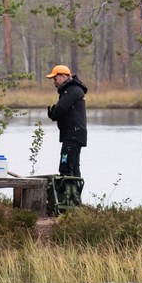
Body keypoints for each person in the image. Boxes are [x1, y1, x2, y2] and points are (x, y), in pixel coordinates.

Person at [47, 65, 87, 196]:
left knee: (65, 167)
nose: (54, 82)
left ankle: (66, 202)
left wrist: (54, 114)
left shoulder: (73, 89)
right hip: (73, 135)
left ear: (64, 76)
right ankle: (74, 201)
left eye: (55, 78)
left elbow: (61, 109)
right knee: (73, 167)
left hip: (73, 135)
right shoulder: (70, 90)